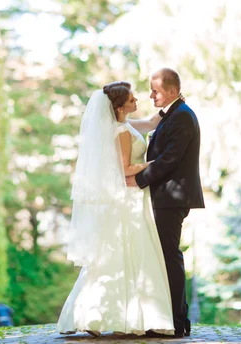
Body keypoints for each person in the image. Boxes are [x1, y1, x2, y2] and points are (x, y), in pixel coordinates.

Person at [57, 81, 176, 337]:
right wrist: (153, 164)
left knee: (124, 256)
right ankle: (99, 315)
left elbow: (152, 123)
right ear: (120, 107)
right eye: (132, 100)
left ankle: (107, 315)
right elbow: (124, 168)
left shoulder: (127, 125)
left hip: (134, 196)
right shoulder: (121, 131)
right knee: (127, 255)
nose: (137, 102)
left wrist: (173, 103)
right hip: (130, 197)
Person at [126, 68, 205, 337]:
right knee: (163, 256)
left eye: (156, 91)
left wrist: (137, 180)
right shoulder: (172, 114)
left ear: (172, 91)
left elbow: (170, 159)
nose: (151, 95)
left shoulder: (182, 117)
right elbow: (148, 127)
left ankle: (177, 322)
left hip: (172, 198)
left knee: (169, 256)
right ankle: (170, 319)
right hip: (164, 197)